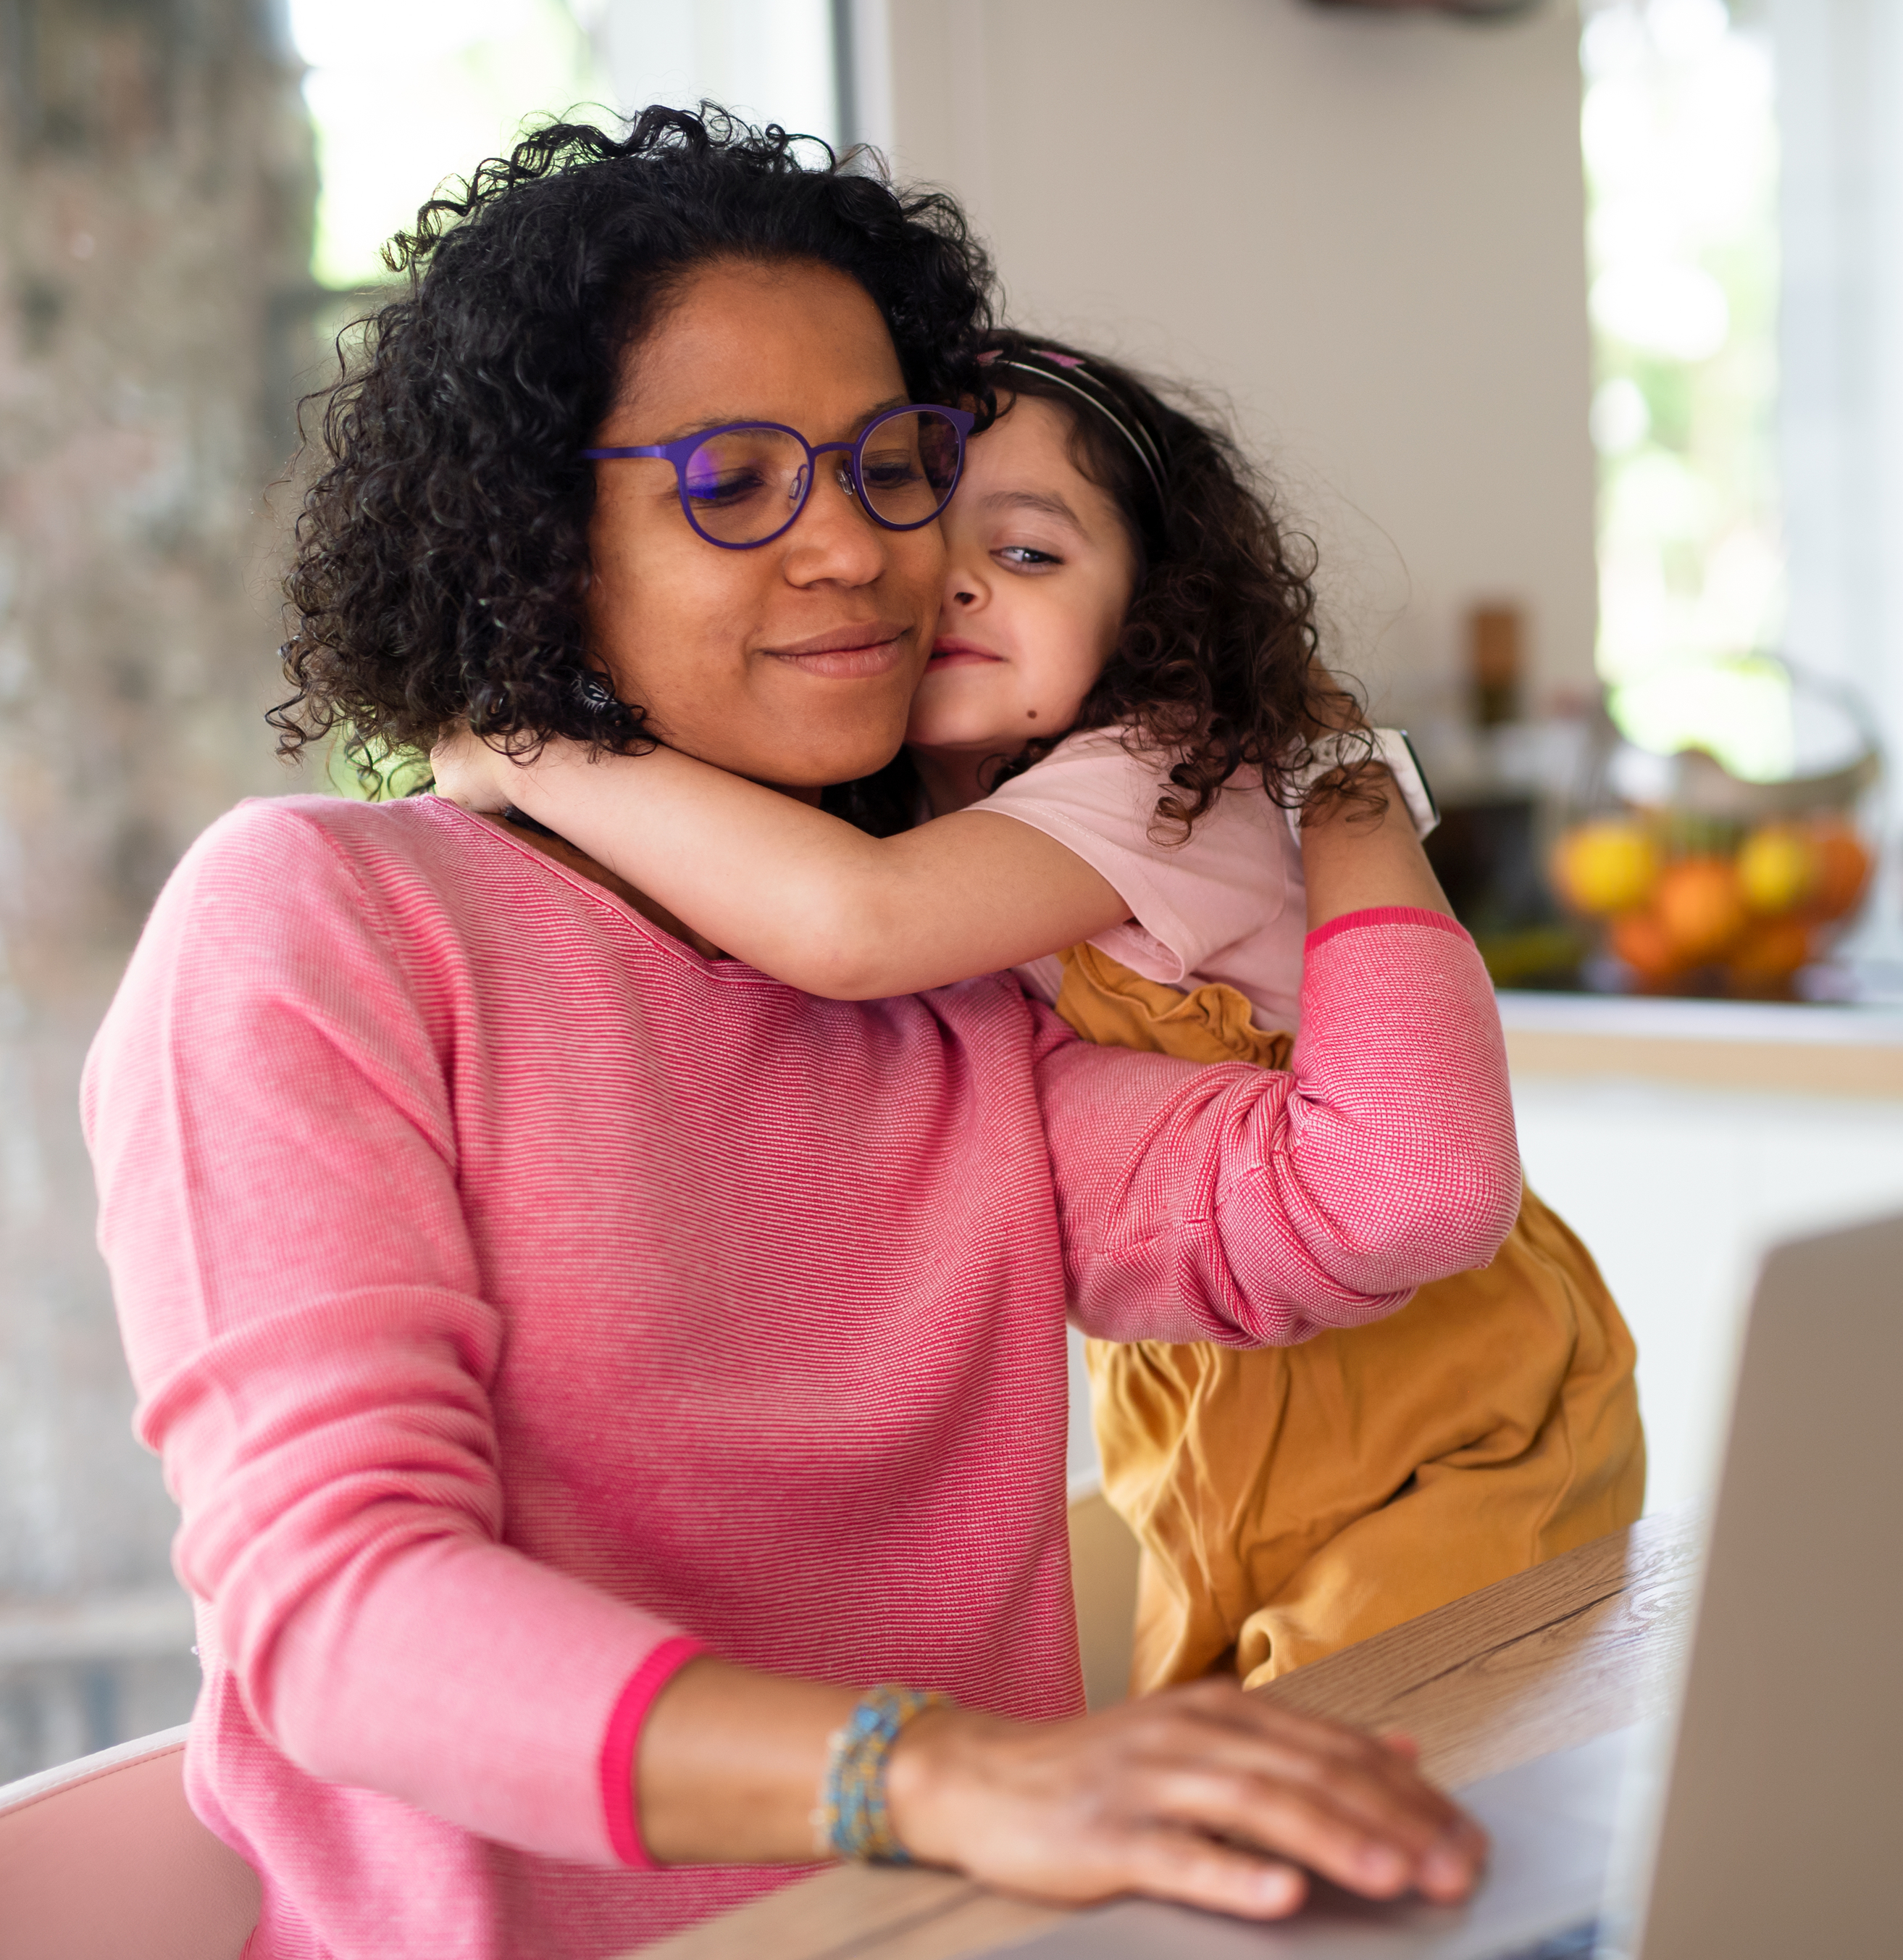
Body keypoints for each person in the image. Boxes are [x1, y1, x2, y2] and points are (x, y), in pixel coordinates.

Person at [83, 108, 1515, 1960]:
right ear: (538, 539)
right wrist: (937, 1779)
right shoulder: (322, 919)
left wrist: (1325, 755)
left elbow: (1393, 1196)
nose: (855, 550)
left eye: (887, 466)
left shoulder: (954, 993)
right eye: (733, 480)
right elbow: (342, 1619)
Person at [432, 330, 1644, 1696]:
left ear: (1149, 617)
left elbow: (854, 925)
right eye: (919, 532)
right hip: (1213, 1414)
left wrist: (535, 748)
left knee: (1353, 1820)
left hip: (1455, 1409)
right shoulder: (964, 821)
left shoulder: (1161, 770)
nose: (950, 579)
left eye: (1028, 554)